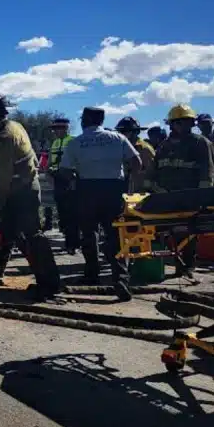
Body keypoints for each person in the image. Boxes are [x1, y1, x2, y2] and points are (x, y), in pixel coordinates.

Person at [0, 93, 60, 300]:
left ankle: (50, 284)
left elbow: (4, 174)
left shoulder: (5, 136)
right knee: (0, 233)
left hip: (20, 193)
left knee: (31, 236)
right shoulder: (10, 127)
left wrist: (3, 199)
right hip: (22, 188)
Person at [60, 107, 139, 301]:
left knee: (89, 233)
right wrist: (125, 178)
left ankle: (91, 274)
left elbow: (64, 171)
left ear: (84, 121)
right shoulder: (117, 138)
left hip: (87, 188)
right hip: (113, 188)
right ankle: (120, 278)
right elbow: (136, 162)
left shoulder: (76, 142)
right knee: (115, 233)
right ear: (102, 120)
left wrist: (74, 179)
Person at [149, 104, 214, 275]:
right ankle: (169, 264)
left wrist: (202, 198)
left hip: (189, 197)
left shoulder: (200, 143)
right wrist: (155, 190)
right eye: (181, 122)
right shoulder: (164, 146)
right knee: (165, 232)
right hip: (166, 196)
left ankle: (186, 266)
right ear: (172, 124)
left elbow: (207, 172)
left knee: (186, 232)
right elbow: (154, 171)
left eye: (189, 122)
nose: (186, 126)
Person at [47, 117, 78, 253]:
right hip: (57, 179)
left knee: (72, 213)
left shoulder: (73, 141)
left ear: (66, 128)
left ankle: (73, 244)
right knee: (62, 213)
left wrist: (74, 180)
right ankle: (68, 241)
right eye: (55, 129)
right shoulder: (54, 143)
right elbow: (50, 161)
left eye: (60, 128)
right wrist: (48, 173)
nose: (57, 131)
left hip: (70, 179)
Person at [115, 116, 154, 194]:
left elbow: (152, 173)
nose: (121, 134)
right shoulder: (120, 148)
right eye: (120, 132)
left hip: (141, 195)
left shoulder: (144, 149)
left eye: (124, 132)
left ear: (135, 132)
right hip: (125, 192)